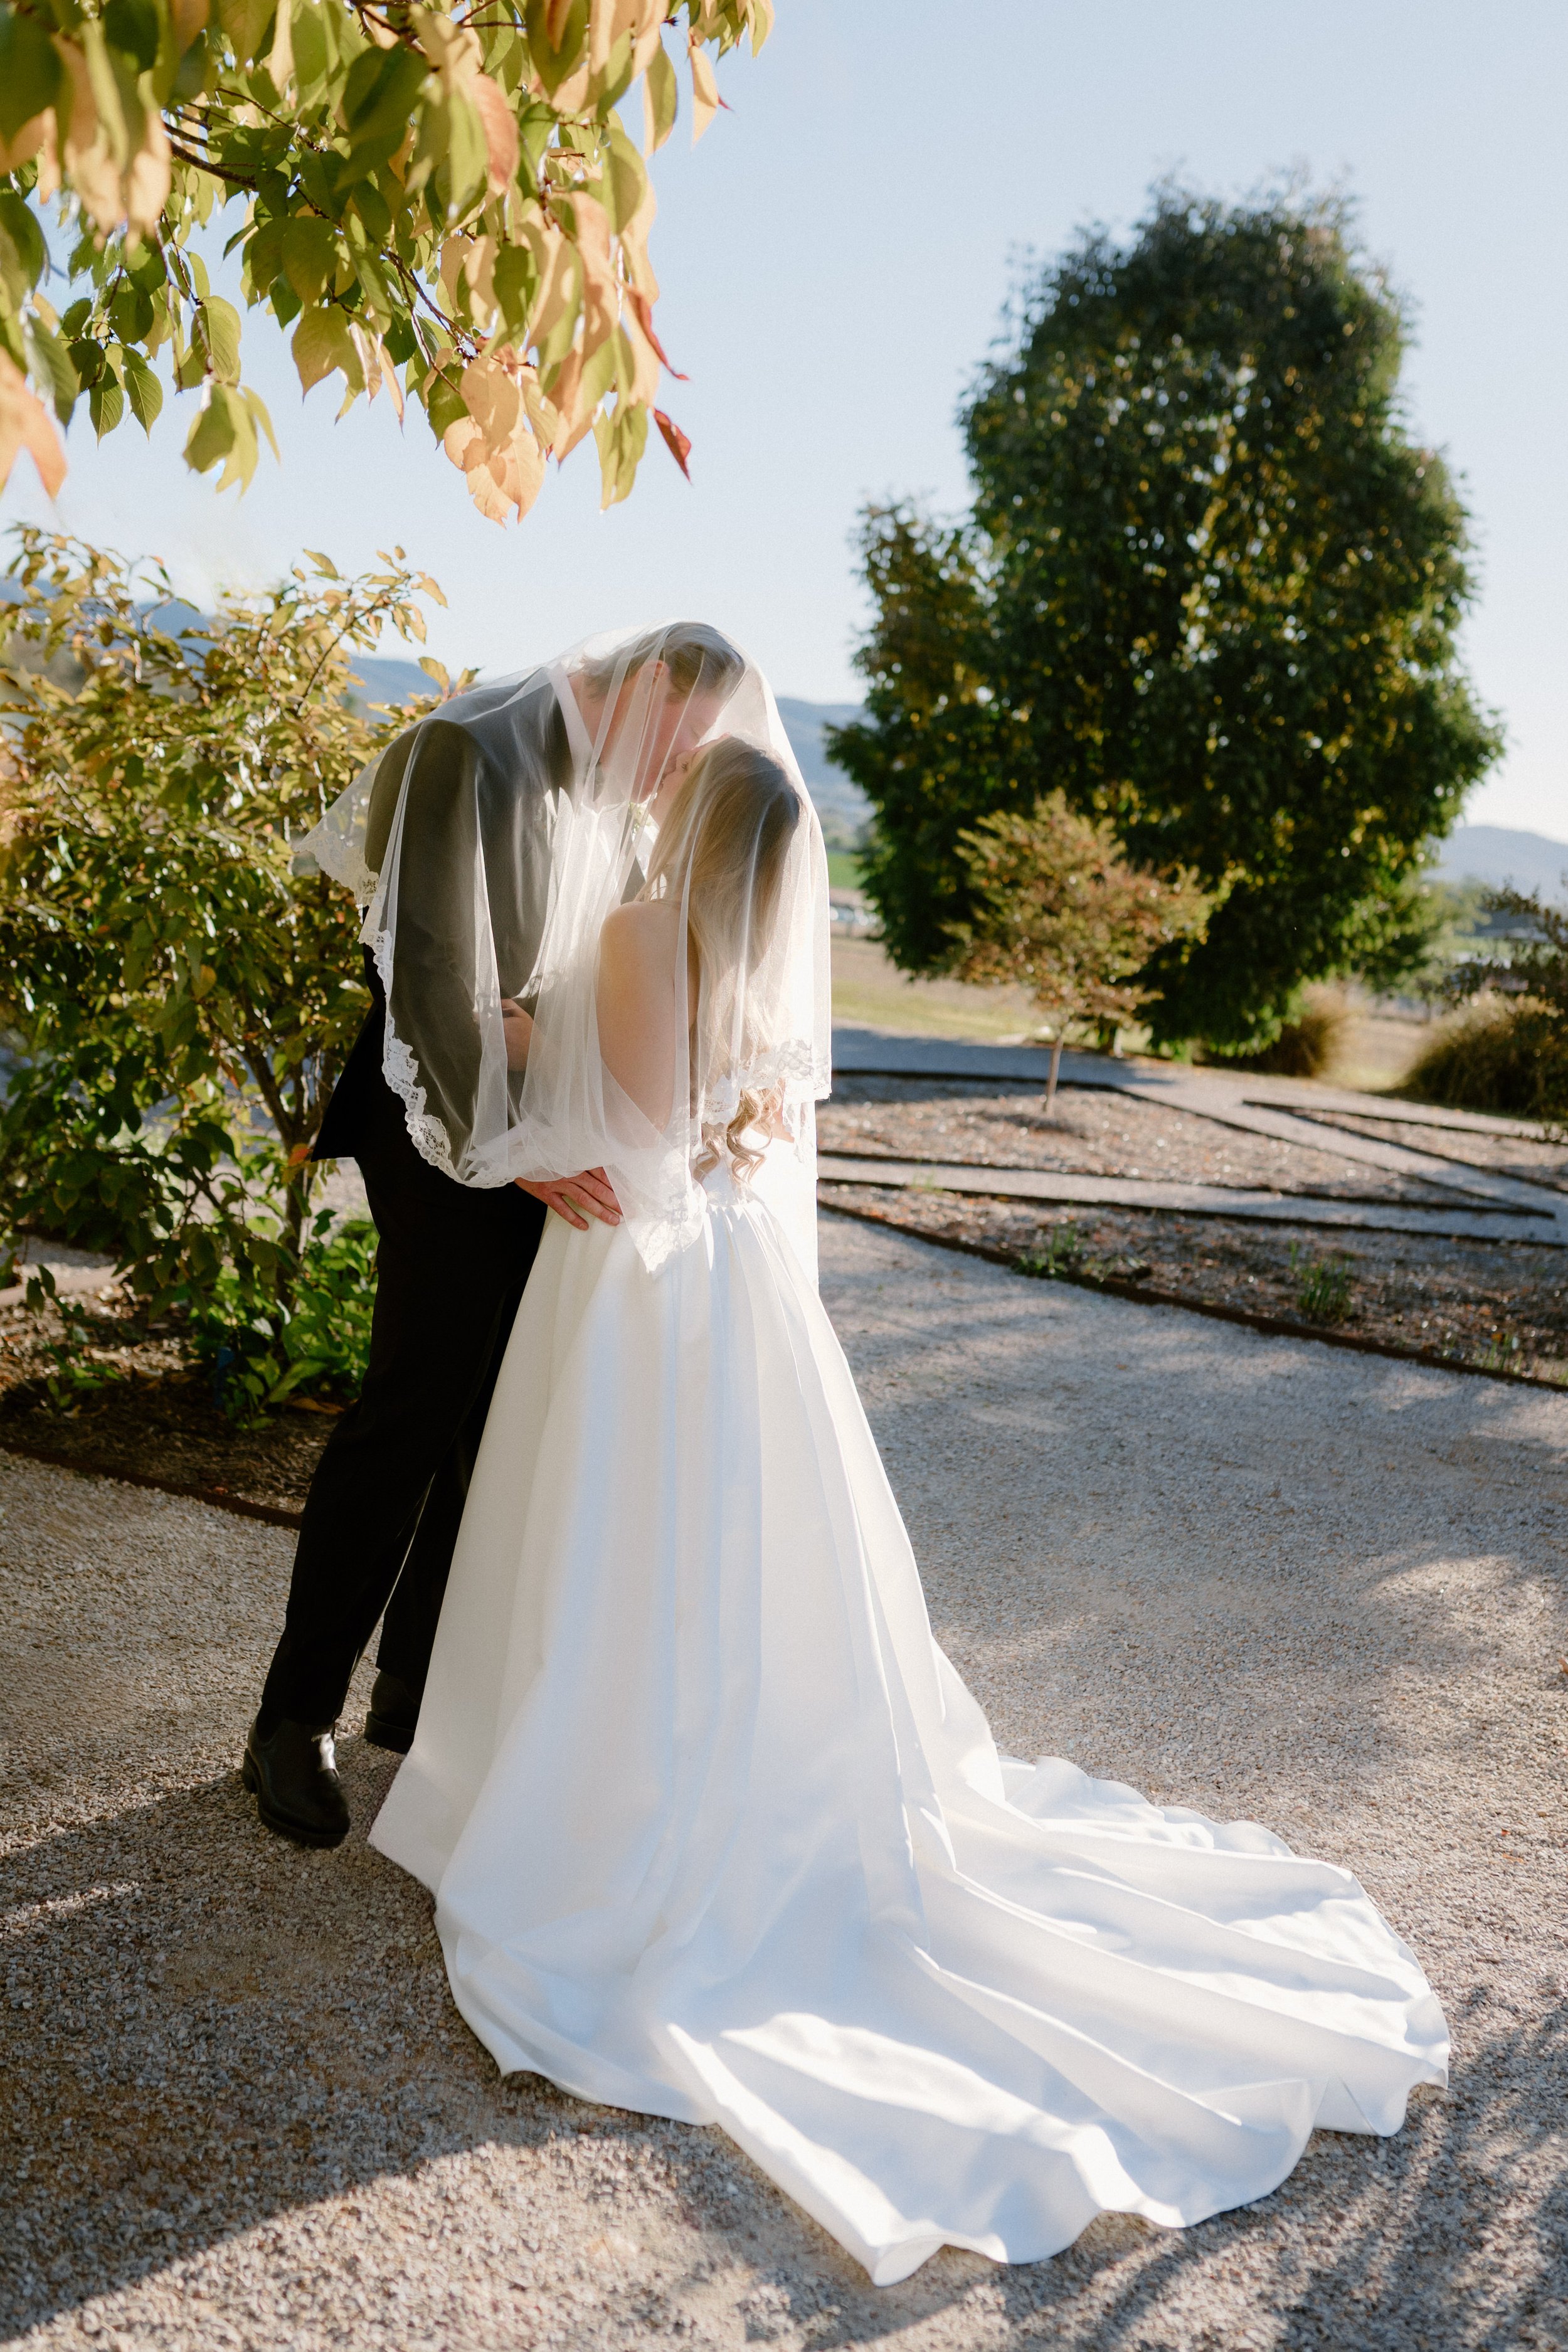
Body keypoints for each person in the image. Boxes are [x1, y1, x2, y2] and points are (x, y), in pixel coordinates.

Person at [358, 633, 1448, 2286]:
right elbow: (717, 1119)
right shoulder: (732, 952)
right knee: (732, 1568)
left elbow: (619, 1141)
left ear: (690, 832)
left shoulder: (646, 933)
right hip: (738, 1293)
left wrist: (531, 1046)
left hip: (636, 1282)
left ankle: (581, 1801)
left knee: (613, 1551)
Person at [243, 624, 746, 1846]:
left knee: (497, 1423)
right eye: (674, 747)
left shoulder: (606, 781)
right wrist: (511, 1153)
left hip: (552, 1135)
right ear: (645, 685)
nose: (668, 779)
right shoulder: (465, 748)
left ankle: (415, 1695)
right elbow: (429, 976)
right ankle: (288, 1721)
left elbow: (576, 970)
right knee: (409, 1414)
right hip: (442, 1125)